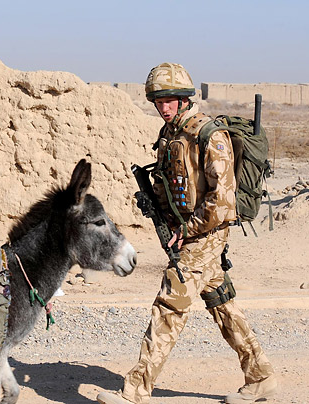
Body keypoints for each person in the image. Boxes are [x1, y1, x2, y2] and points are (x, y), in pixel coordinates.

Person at [97, 63, 278, 404]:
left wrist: (187, 231)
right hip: (189, 233)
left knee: (169, 305)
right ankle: (261, 377)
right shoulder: (172, 134)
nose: (163, 107)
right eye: (158, 101)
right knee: (222, 303)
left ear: (183, 98)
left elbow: (222, 201)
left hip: (204, 235)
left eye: (170, 100)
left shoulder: (208, 135)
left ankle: (135, 390)